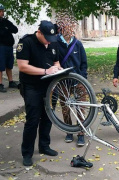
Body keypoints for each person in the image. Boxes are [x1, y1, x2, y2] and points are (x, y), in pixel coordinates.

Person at [16, 20, 62, 166]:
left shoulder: (52, 42)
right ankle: (27, 153)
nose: (49, 42)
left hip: (49, 86)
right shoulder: (26, 42)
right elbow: (22, 66)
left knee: (48, 116)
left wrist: (58, 69)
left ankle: (44, 146)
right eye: (46, 38)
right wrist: (45, 71)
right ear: (39, 32)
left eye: (51, 39)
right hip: (32, 87)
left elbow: (57, 62)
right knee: (33, 119)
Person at [56, 19, 87, 146]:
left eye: (71, 26)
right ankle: (69, 131)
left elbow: (84, 63)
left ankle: (81, 133)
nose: (69, 29)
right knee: (65, 108)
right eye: (66, 26)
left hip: (78, 80)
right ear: (61, 28)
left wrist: (83, 78)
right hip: (63, 82)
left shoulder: (78, 44)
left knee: (80, 107)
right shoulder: (56, 44)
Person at [0, 3, 18, 92]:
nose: (2, 13)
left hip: (8, 46)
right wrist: (6, 29)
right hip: (1, 47)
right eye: (1, 11)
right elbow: (2, 33)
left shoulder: (5, 21)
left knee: (9, 65)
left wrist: (7, 28)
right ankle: (0, 83)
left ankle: (11, 81)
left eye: (3, 11)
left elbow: (15, 29)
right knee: (0, 66)